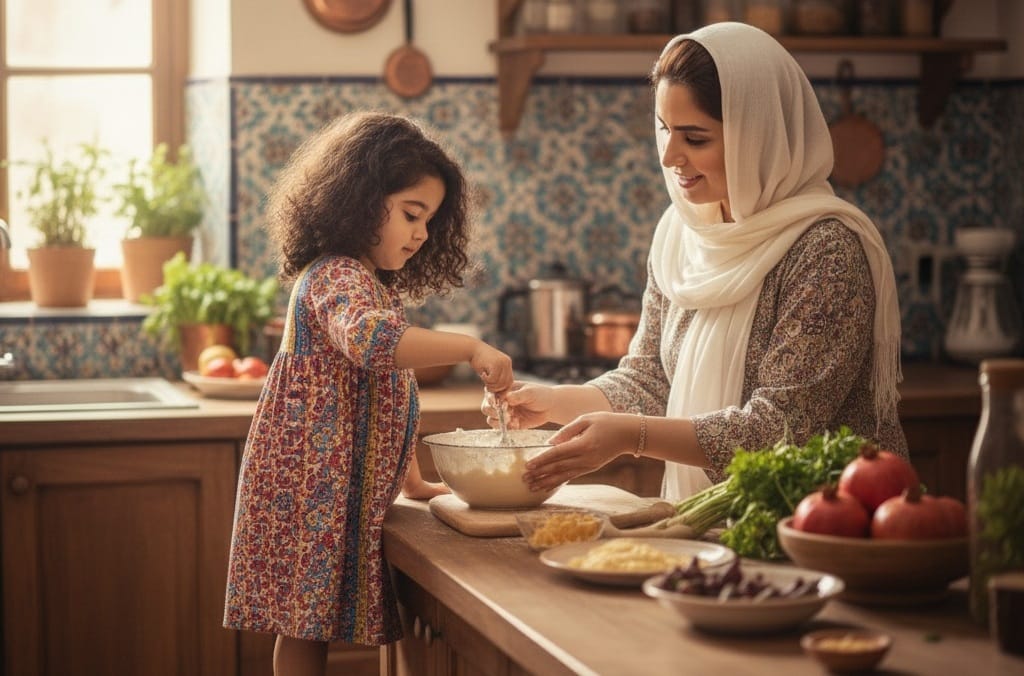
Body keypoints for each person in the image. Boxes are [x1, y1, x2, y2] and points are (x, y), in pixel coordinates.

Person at [487, 22, 907, 502]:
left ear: (758, 136)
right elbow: (650, 377)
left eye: (696, 137)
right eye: (664, 129)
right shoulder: (681, 234)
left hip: (829, 528)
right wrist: (552, 402)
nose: (669, 155)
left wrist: (632, 435)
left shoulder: (826, 250)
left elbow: (780, 429)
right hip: (713, 526)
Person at [224, 111, 514, 676]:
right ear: (360, 199)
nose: (422, 234)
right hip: (307, 488)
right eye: (412, 214)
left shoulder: (371, 284)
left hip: (340, 486)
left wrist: (412, 482)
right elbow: (371, 343)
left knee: (319, 619)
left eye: (429, 221)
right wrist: (468, 346)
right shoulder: (334, 275)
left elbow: (383, 399)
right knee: (305, 625)